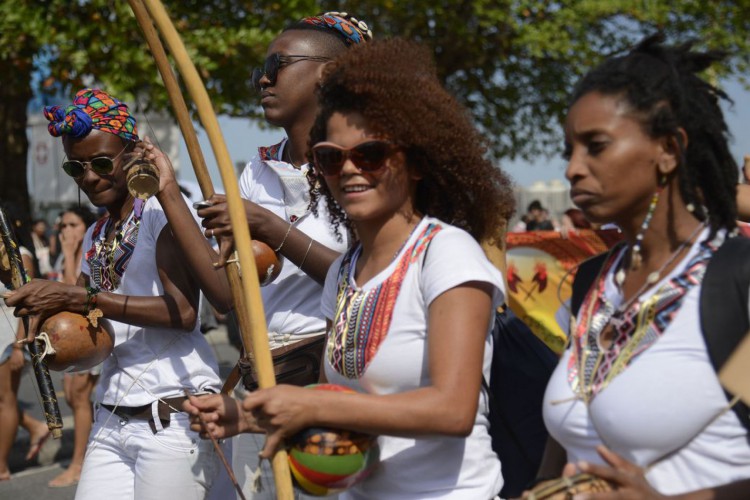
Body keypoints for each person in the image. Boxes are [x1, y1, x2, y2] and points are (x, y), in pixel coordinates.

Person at [186, 37, 517, 499]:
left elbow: (453, 410)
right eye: (331, 158)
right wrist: (245, 417)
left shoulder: (447, 254)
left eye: (371, 154)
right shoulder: (345, 271)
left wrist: (299, 400)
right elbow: (330, 400)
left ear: (417, 161)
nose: (350, 170)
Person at [141, 12, 372, 497]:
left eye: (278, 64)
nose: (263, 78)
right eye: (260, 70)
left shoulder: (363, 164)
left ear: (328, 74)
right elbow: (226, 295)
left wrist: (268, 227)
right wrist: (168, 192)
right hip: (260, 384)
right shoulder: (255, 173)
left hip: (328, 385)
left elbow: (365, 283)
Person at [538, 35, 750, 497]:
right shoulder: (594, 283)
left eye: (595, 146)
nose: (573, 168)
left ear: (669, 150)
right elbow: (568, 436)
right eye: (569, 150)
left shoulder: (734, 285)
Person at [4, 88, 227, 499]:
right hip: (111, 418)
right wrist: (47, 323)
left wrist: (79, 299)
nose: (90, 176)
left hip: (170, 418)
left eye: (102, 162)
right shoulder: (96, 234)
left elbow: (183, 313)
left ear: (134, 154)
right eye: (76, 167)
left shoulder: (161, 218)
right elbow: (96, 328)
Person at [47, 205, 99, 488]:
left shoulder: (86, 253)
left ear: (85, 227)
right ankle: (85, 457)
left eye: (73, 225)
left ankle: (79, 464)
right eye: (63, 226)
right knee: (74, 397)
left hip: (87, 335)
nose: (67, 231)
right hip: (72, 339)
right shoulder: (68, 254)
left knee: (79, 397)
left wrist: (68, 254)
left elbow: (73, 294)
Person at [0, 203, 52, 481]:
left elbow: (28, 303)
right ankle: (34, 426)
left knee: (5, 401)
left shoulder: (21, 256)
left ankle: (2, 466)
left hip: (8, 338)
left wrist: (19, 345)